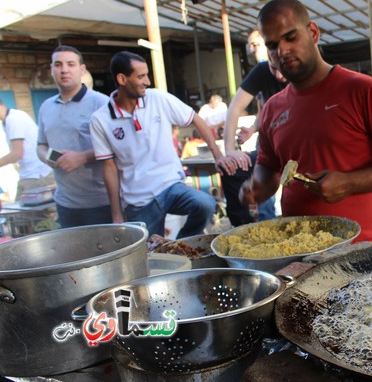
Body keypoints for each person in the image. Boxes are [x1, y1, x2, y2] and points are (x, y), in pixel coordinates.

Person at [240, 0, 372, 242]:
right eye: (272, 45)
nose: (282, 51)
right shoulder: (272, 110)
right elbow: (268, 169)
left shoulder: (364, 91)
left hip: (361, 250)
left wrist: (350, 183)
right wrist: (256, 189)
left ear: (313, 32)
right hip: (297, 252)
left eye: (291, 37)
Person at [90, 51, 237, 238]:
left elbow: (196, 119)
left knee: (206, 204)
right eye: (141, 76)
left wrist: (219, 157)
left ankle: (179, 246)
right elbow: (108, 167)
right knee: (151, 256)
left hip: (171, 186)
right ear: (122, 79)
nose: (147, 81)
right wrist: (117, 214)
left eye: (147, 75)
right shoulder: (100, 120)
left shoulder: (157, 98)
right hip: (138, 200)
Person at [37, 45, 112, 228]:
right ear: (52, 69)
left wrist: (82, 157)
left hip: (101, 202)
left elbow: (119, 145)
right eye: (58, 64)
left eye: (70, 64)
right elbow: (41, 145)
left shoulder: (101, 103)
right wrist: (49, 157)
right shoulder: (46, 107)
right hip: (65, 203)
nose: (64, 70)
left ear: (82, 69)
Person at [222, 29, 287, 226]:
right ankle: (243, 229)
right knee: (231, 169)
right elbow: (235, 108)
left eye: (281, 69)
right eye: (273, 68)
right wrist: (230, 150)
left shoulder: (301, 75)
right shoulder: (261, 70)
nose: (278, 76)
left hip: (294, 143)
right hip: (269, 140)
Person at [0, 99, 53, 200]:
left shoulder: (14, 119)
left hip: (36, 175)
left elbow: (17, 154)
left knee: (23, 214)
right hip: (30, 174)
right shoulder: (8, 120)